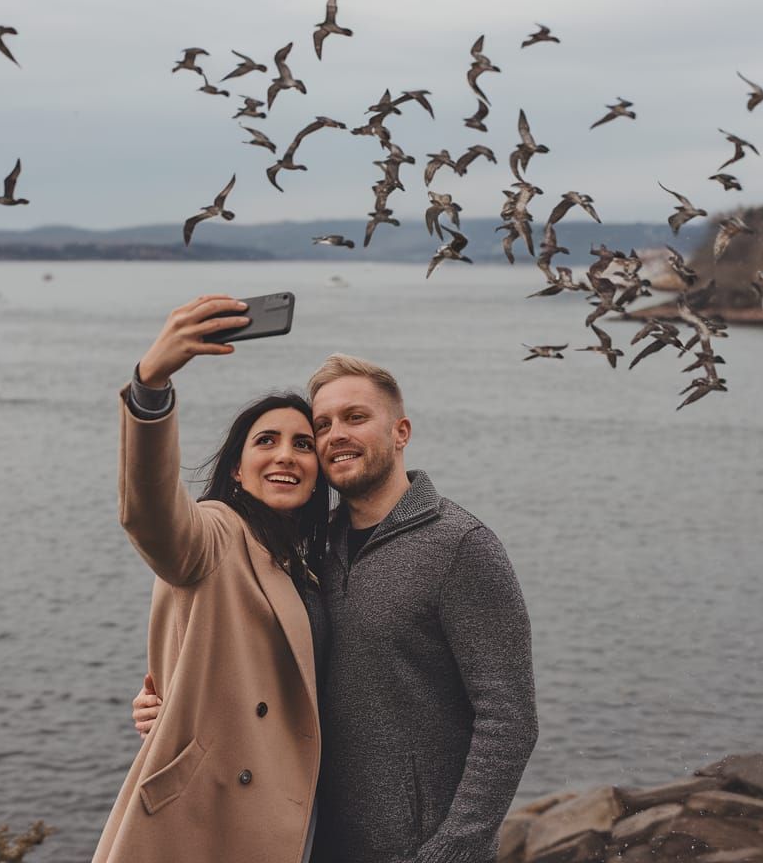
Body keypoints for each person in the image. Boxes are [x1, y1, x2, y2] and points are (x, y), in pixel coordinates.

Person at [134, 351, 540, 863]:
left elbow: (509, 719)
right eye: (322, 425)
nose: (335, 435)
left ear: (400, 432)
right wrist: (176, 704)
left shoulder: (460, 546)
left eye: (356, 417)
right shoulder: (316, 549)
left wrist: (452, 848)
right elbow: (276, 674)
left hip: (416, 850)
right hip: (312, 839)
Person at [93, 294, 330, 863]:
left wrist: (174, 696)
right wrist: (152, 386)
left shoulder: (314, 558)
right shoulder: (217, 534)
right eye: (266, 441)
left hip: (303, 802)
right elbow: (150, 516)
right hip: (212, 812)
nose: (287, 455)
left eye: (304, 444)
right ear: (237, 470)